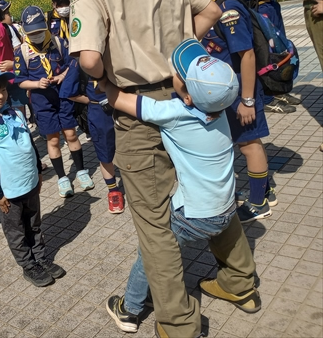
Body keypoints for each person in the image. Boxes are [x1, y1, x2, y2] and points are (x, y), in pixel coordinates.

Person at [60, 0, 222, 337]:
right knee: (203, 188)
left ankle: (178, 322)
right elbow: (209, 11)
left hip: (137, 108)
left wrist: (105, 84)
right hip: (184, 96)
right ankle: (238, 279)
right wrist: (180, 57)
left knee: (154, 225)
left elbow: (89, 59)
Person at [105, 39, 260, 333]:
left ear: (188, 95)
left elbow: (117, 98)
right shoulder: (220, 107)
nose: (171, 74)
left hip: (197, 217)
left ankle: (130, 307)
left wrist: (102, 79)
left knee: (155, 246)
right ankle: (240, 288)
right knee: (222, 227)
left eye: (176, 73)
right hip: (227, 206)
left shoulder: (174, 111)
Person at [181, 0, 274, 223]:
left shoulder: (227, 8)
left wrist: (247, 100)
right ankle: (265, 189)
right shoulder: (205, 6)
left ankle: (259, 203)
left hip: (239, 89)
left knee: (249, 144)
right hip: (224, 89)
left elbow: (246, 54)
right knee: (241, 142)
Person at [0, 64, 66, 286]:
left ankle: (41, 258)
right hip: (9, 191)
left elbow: (30, 145)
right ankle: (28, 264)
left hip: (30, 182)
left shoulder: (15, 114)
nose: (0, 95)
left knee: (34, 223)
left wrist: (38, 171)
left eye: (2, 89)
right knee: (16, 230)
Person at [14, 6, 92, 198]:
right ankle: (62, 178)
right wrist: (35, 83)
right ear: (25, 31)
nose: (38, 35)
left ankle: (81, 171)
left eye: (41, 31)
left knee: (71, 134)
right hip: (41, 101)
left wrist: (61, 77)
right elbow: (19, 80)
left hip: (63, 96)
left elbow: (71, 65)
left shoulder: (58, 42)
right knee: (53, 139)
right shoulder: (22, 51)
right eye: (33, 33)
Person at [59, 59, 122, 213]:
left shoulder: (115, 51)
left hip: (124, 106)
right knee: (105, 154)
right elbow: (69, 93)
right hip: (100, 113)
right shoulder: (79, 62)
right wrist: (92, 101)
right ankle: (113, 191)